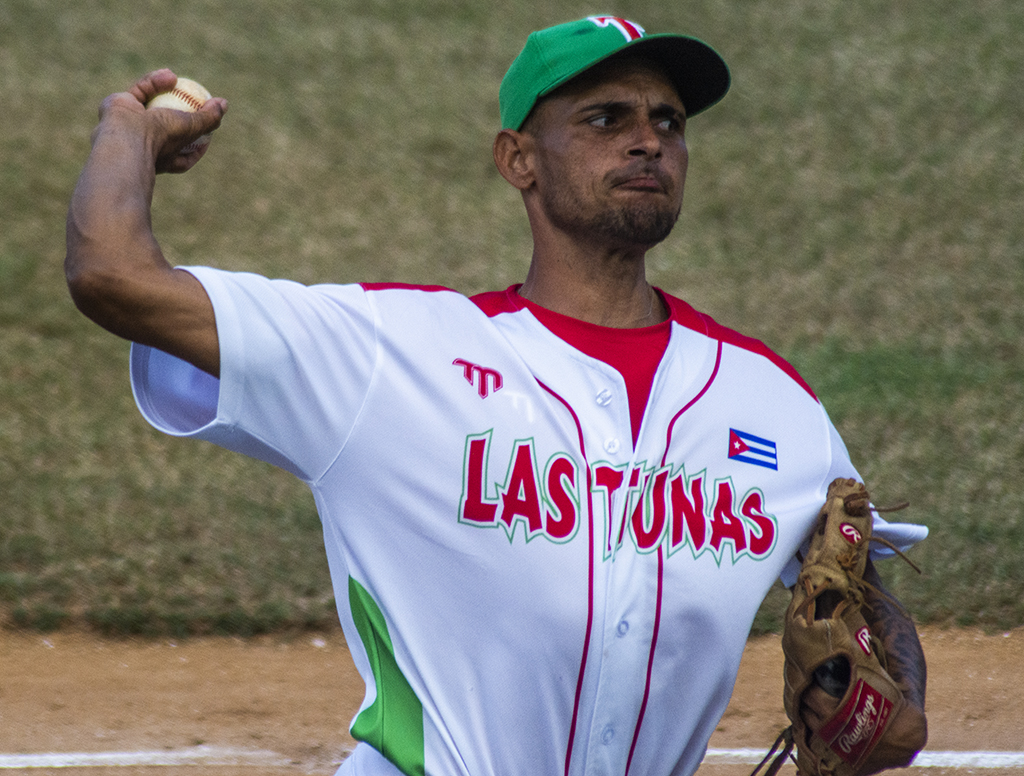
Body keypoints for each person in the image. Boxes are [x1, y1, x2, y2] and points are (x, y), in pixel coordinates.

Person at [65, 15, 927, 776]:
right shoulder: (388, 354)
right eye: (605, 118)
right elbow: (114, 275)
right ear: (518, 157)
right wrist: (127, 134)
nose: (648, 141)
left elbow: (860, 585)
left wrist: (899, 700)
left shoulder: (771, 405)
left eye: (668, 121)